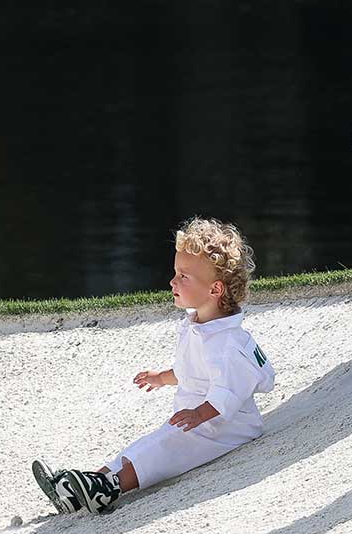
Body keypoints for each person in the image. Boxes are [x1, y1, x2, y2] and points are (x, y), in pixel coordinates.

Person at [31, 217, 274, 516]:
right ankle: (82, 486)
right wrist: (163, 377)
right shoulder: (198, 325)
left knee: (160, 452)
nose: (173, 282)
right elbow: (193, 371)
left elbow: (228, 392)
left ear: (215, 290)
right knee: (138, 449)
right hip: (195, 420)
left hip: (223, 428)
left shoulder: (227, 344)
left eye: (184, 276)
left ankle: (108, 489)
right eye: (175, 273)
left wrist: (200, 413)